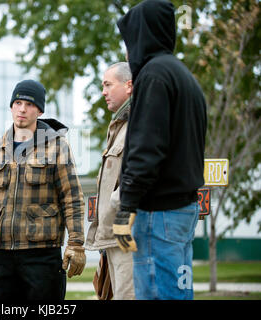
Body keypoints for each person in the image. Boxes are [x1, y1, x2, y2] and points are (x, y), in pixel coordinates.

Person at [113, 0, 207, 300]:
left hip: (158, 213)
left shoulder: (153, 76)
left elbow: (146, 150)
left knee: (157, 295)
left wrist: (126, 207)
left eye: (129, 41)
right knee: (177, 294)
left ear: (142, 36)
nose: (128, 51)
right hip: (182, 210)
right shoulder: (183, 76)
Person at [0, 79, 86, 300]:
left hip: (42, 256)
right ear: (11, 106)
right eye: (18, 102)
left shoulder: (58, 147)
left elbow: (72, 198)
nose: (22, 109)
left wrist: (76, 243)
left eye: (30, 104)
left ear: (39, 110)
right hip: (0, 254)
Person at [85, 62, 135, 300]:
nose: (103, 91)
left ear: (129, 86)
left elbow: (136, 177)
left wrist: (118, 211)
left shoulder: (137, 124)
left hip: (126, 236)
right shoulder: (119, 125)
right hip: (113, 238)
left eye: (108, 84)